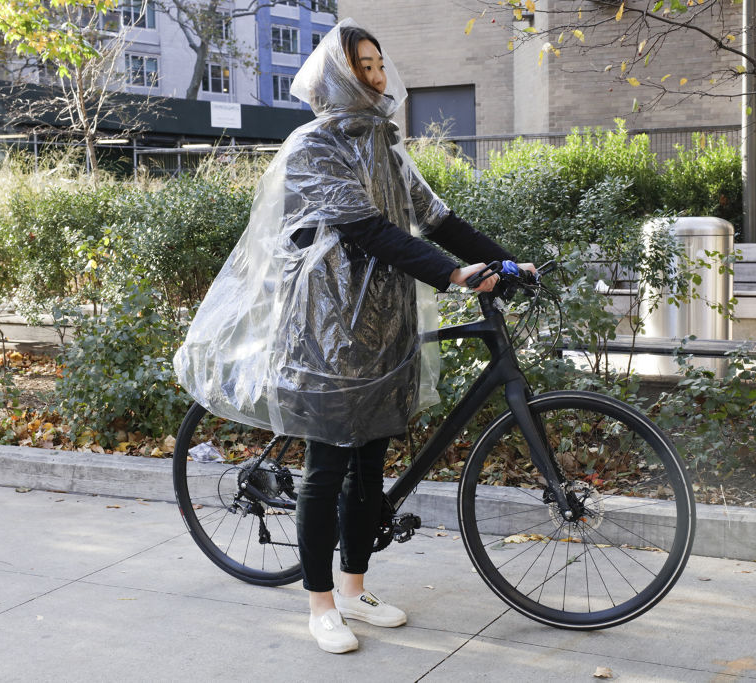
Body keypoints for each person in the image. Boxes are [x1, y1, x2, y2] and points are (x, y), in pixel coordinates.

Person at [173, 18, 533, 654]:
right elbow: (369, 231)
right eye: (361, 67)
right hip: (325, 331)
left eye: (378, 64)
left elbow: (438, 220)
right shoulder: (314, 147)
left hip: (385, 324)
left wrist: (505, 264)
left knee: (370, 464)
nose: (376, 76)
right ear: (338, 76)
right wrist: (453, 275)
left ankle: (353, 588)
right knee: (327, 465)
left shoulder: (388, 148)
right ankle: (318, 605)